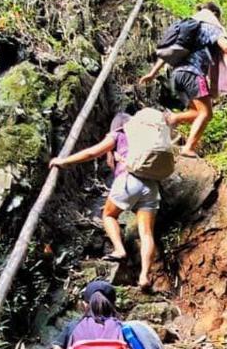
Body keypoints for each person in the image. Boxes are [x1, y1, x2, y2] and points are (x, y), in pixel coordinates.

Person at [49, 112, 159, 290]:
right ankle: (144, 276)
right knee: (146, 233)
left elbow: (92, 152)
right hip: (151, 185)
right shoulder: (144, 136)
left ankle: (119, 250)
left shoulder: (118, 134)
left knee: (108, 215)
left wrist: (64, 161)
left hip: (129, 180)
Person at [139, 2, 227, 157]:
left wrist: (153, 73)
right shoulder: (210, 27)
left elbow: (168, 53)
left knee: (196, 112)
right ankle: (186, 144)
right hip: (193, 75)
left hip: (177, 76)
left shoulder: (189, 29)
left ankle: (169, 121)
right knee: (206, 113)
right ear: (215, 14)